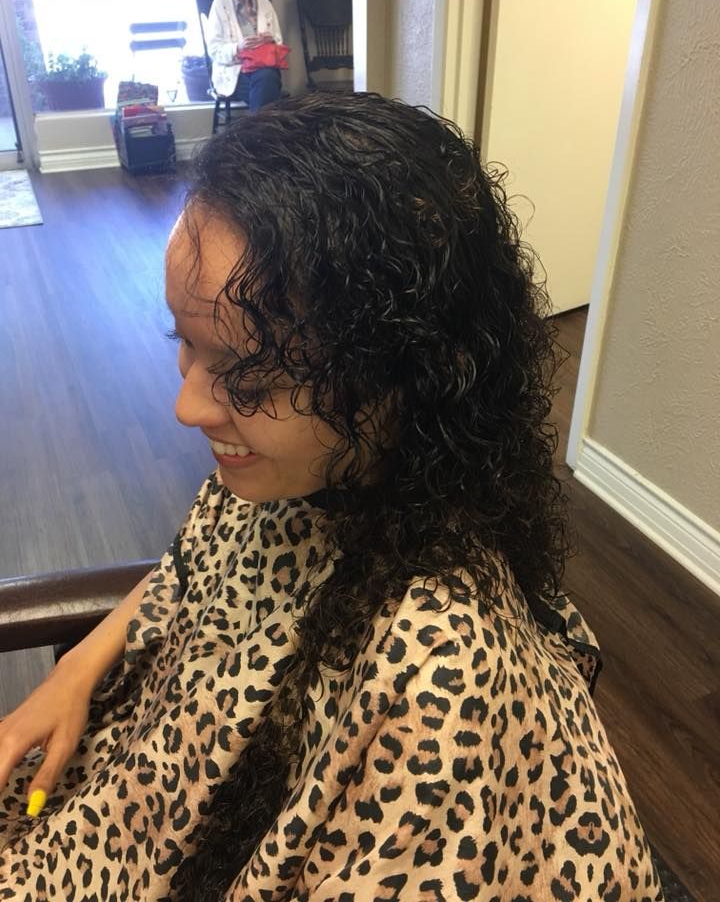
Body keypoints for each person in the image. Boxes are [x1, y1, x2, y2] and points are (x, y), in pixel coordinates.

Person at [0, 93, 664, 901]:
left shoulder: (433, 686)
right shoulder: (307, 470)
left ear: (405, 373)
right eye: (187, 345)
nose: (187, 406)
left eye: (248, 374)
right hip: (135, 796)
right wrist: (76, 673)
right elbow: (192, 565)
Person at [207, 0, 283, 112]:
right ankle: (266, 132)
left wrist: (270, 40)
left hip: (265, 67)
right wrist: (239, 47)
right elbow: (214, 50)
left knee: (266, 78)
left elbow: (279, 42)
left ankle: (256, 133)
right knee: (268, 88)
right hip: (234, 72)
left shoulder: (265, 5)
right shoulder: (220, 4)